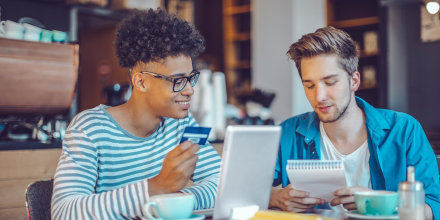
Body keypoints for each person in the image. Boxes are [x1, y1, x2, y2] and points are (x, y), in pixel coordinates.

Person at [51, 8, 221, 219]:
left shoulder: (182, 125)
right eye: (178, 80)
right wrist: (156, 187)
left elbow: (222, 182)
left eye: (190, 78)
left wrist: (173, 201)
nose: (189, 90)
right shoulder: (90, 129)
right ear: (141, 82)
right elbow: (64, 212)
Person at [269, 26, 440, 219]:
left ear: (354, 81)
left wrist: (377, 201)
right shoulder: (287, 133)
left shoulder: (404, 130)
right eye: (310, 85)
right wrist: (275, 197)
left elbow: (433, 207)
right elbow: (239, 190)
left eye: (330, 82)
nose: (319, 96)